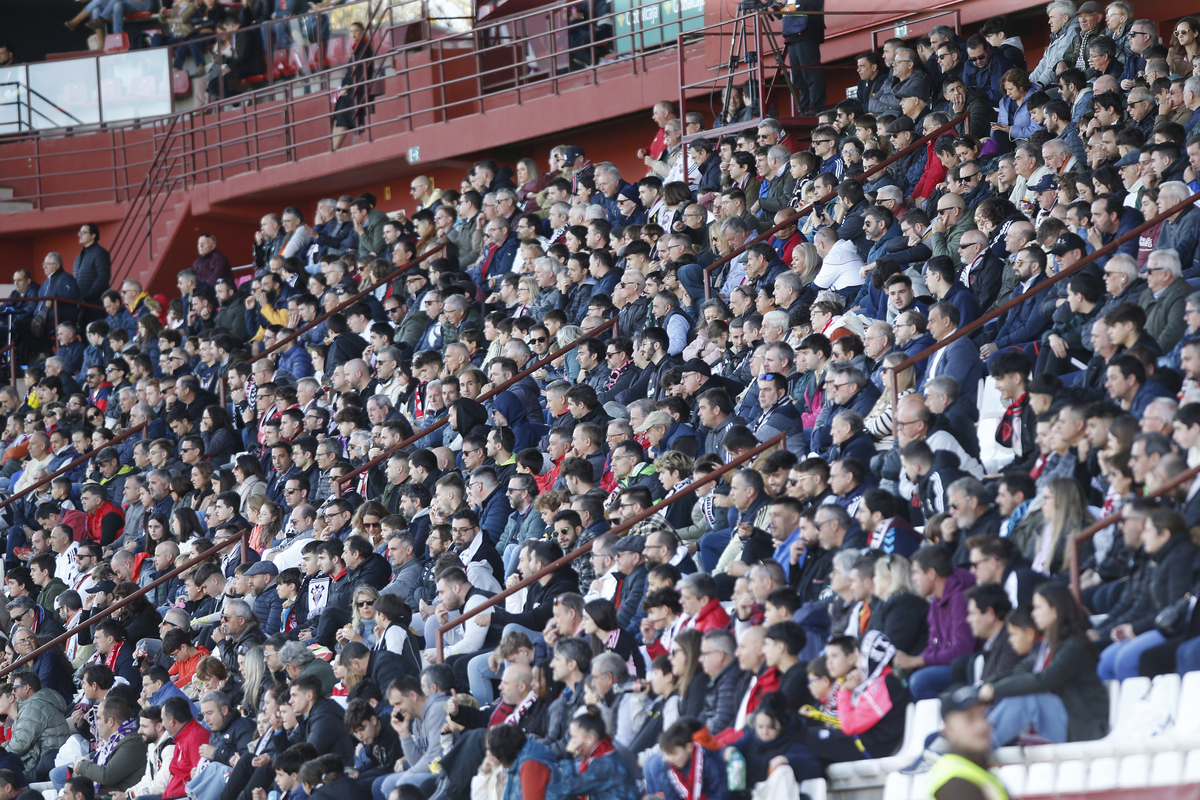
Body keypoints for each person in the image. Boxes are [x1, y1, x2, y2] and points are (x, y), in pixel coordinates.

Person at [978, 583, 1109, 745]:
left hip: (1083, 728)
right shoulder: (1048, 646)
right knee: (994, 702)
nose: (1033, 614)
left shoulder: (1074, 646)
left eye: (1038, 608)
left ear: (1055, 610)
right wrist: (984, 686)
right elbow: (1019, 672)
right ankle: (971, 742)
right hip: (1064, 722)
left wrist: (995, 689)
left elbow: (1043, 680)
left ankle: (980, 747)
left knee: (1029, 699)